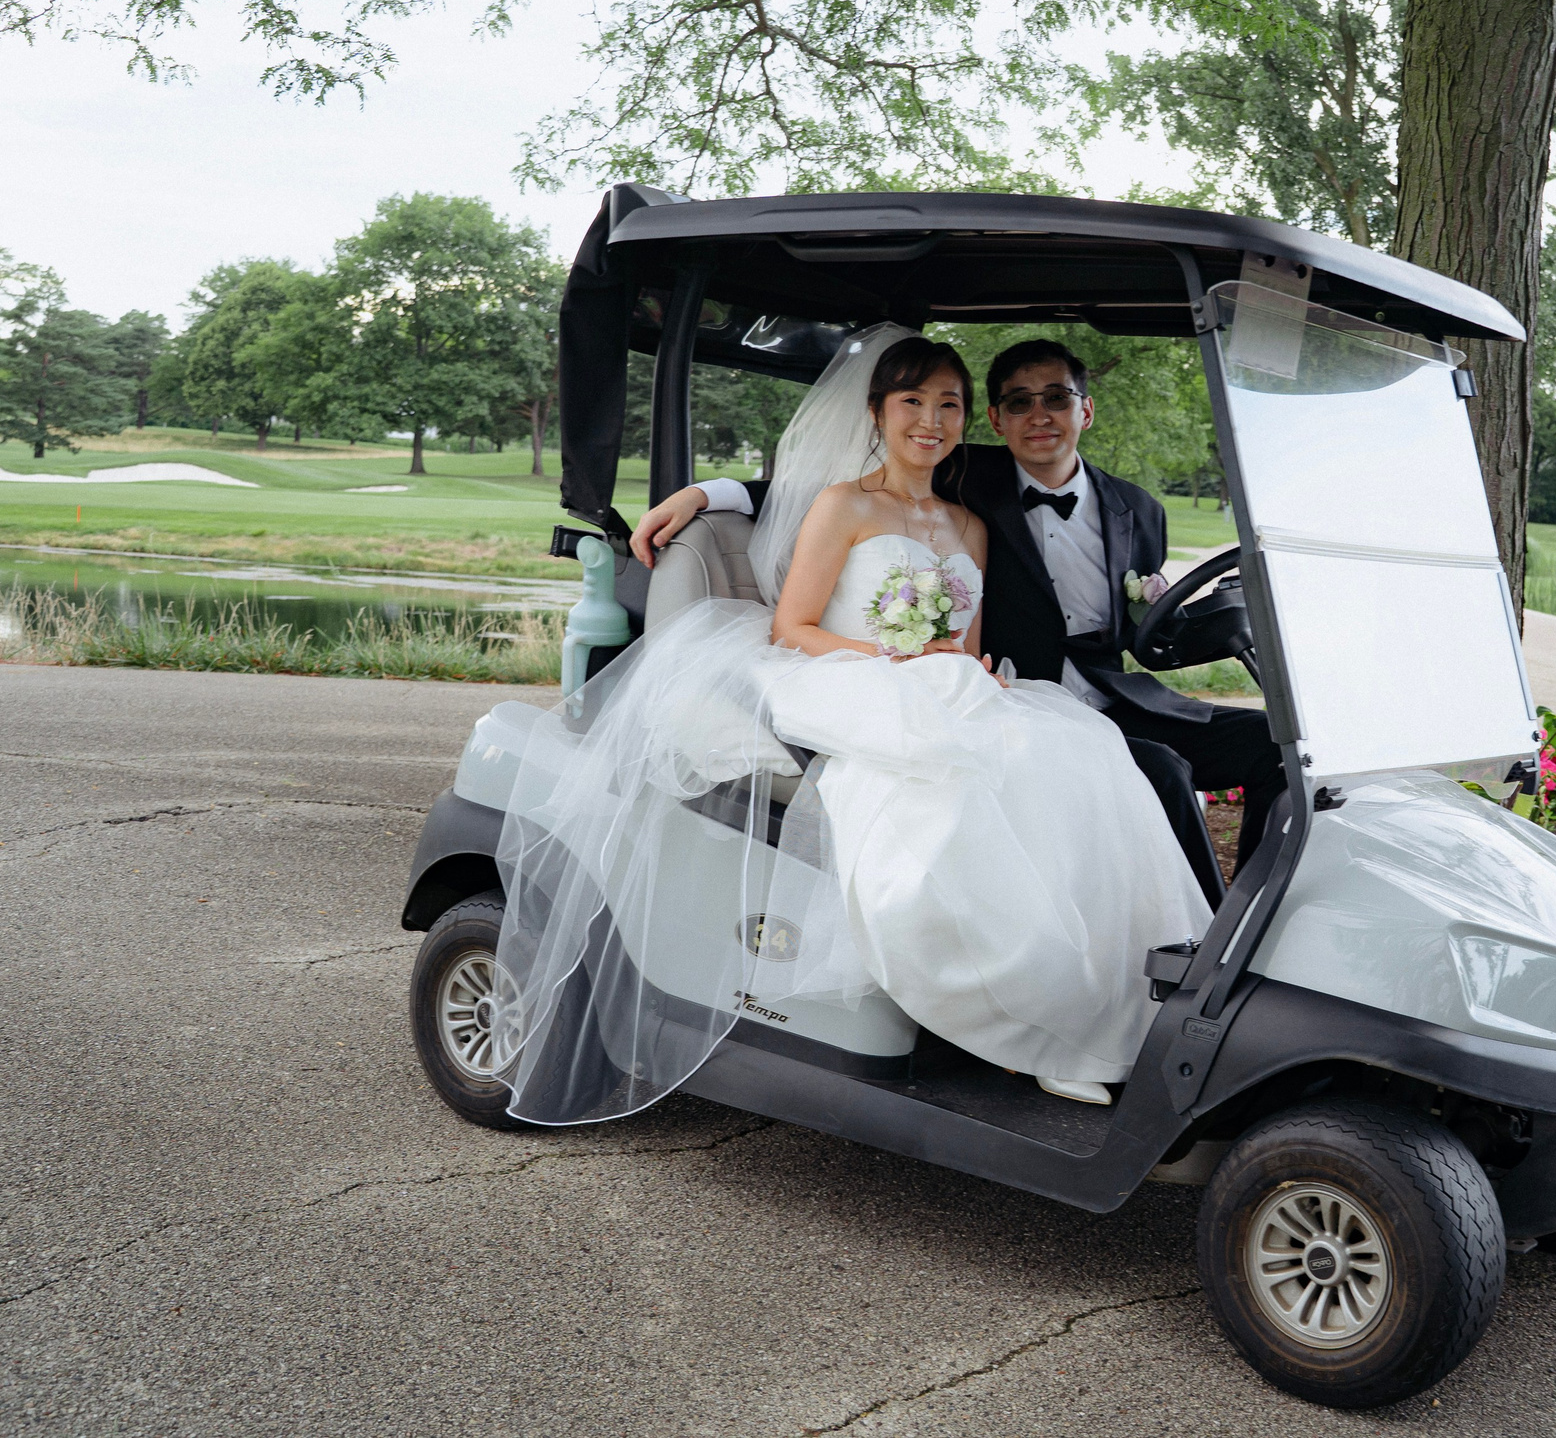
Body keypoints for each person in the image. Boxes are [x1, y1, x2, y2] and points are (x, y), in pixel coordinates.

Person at [491, 327, 1211, 1124]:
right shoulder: (842, 505)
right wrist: (710, 496)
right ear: (876, 412)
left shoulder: (970, 522)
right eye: (913, 403)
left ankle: (1119, 995)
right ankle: (1028, 1017)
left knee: (1086, 754)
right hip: (838, 674)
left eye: (949, 406)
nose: (931, 421)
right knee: (957, 775)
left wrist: (951, 667)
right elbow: (791, 626)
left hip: (934, 682)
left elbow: (964, 649)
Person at [637, 339, 1286, 906]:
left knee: (1275, 745)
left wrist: (1216, 624)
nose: (1040, 416)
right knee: (1161, 772)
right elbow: (818, 492)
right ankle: (1211, 945)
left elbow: (1149, 634)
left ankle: (1261, 910)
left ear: (1085, 410)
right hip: (1010, 688)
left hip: (1110, 695)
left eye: (1056, 399)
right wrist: (706, 493)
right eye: (1019, 402)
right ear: (998, 420)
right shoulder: (965, 475)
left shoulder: (1139, 510)